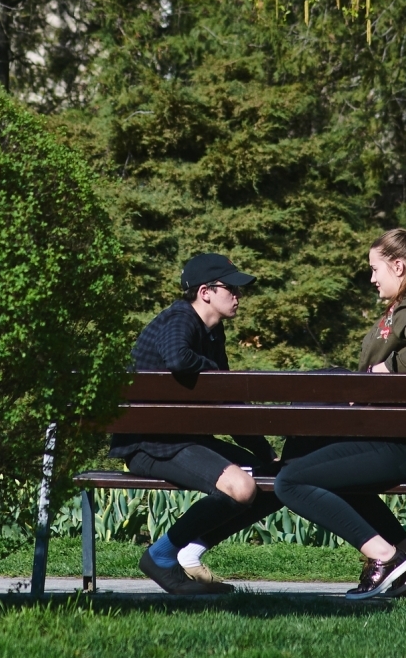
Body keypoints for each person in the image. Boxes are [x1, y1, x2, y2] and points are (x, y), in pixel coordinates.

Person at [274, 226, 406, 601]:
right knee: (315, 467)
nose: (372, 279)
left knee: (290, 481)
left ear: (398, 266)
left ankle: (384, 556)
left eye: (375, 269)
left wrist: (387, 368)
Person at [109, 252, 282, 596]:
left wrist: (266, 454)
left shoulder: (214, 333)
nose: (238, 295)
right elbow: (176, 357)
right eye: (231, 288)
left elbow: (228, 404)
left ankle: (189, 549)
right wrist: (217, 373)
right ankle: (160, 556)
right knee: (242, 487)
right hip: (150, 444)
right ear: (205, 292)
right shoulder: (179, 320)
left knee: (278, 480)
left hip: (186, 440)